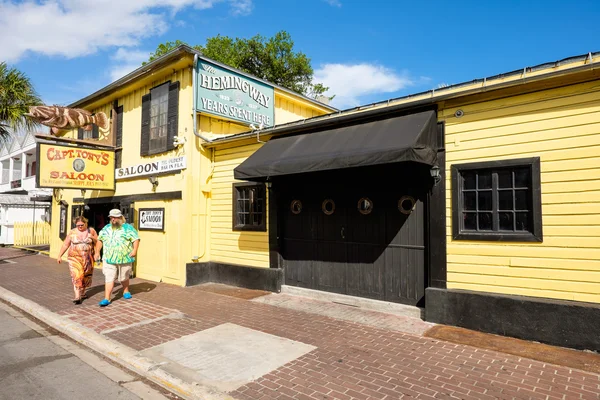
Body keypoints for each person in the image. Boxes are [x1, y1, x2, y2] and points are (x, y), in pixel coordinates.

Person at [96, 209, 140, 307]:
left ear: (120, 217)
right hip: (108, 258)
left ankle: (125, 290)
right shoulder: (106, 228)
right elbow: (100, 240)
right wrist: (97, 251)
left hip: (125, 258)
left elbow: (136, 239)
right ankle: (107, 298)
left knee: (124, 277)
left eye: (115, 217)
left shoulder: (128, 228)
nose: (113, 219)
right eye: (111, 217)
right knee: (109, 277)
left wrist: (134, 250)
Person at [57, 216, 98, 304]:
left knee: (86, 276)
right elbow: (65, 244)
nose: (79, 227)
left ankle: (82, 293)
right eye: (78, 225)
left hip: (88, 258)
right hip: (74, 258)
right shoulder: (72, 232)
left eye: (81, 225)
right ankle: (77, 296)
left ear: (86, 223)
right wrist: (59, 255)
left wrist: (92, 238)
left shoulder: (91, 231)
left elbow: (98, 242)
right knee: (77, 275)